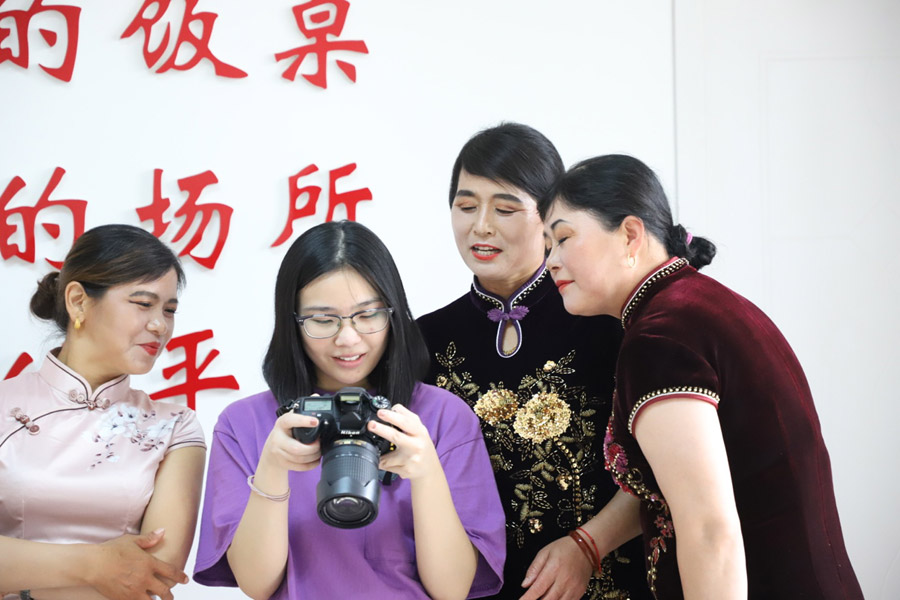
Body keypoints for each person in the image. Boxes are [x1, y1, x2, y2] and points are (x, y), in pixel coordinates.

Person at [539, 154, 864, 599]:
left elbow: (709, 529)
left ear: (630, 234)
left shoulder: (660, 337)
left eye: (562, 238)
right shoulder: (695, 303)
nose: (550, 261)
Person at [193, 220, 505, 600]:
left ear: (393, 313)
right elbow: (257, 585)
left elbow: (452, 589)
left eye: (368, 315)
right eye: (323, 320)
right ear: (292, 323)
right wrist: (272, 468)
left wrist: (426, 475)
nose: (348, 338)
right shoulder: (245, 425)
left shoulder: (441, 417)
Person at [417, 123, 650, 600]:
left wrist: (589, 545)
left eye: (504, 208)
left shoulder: (607, 323)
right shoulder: (424, 340)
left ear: (551, 221)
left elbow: (658, 471)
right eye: (465, 206)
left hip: (606, 579)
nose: (480, 225)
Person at [0, 224, 207, 600]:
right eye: (143, 304)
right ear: (78, 301)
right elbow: (124, 572)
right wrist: (97, 565)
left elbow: (156, 573)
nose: (160, 325)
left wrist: (21, 573)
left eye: (169, 309)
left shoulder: (176, 426)